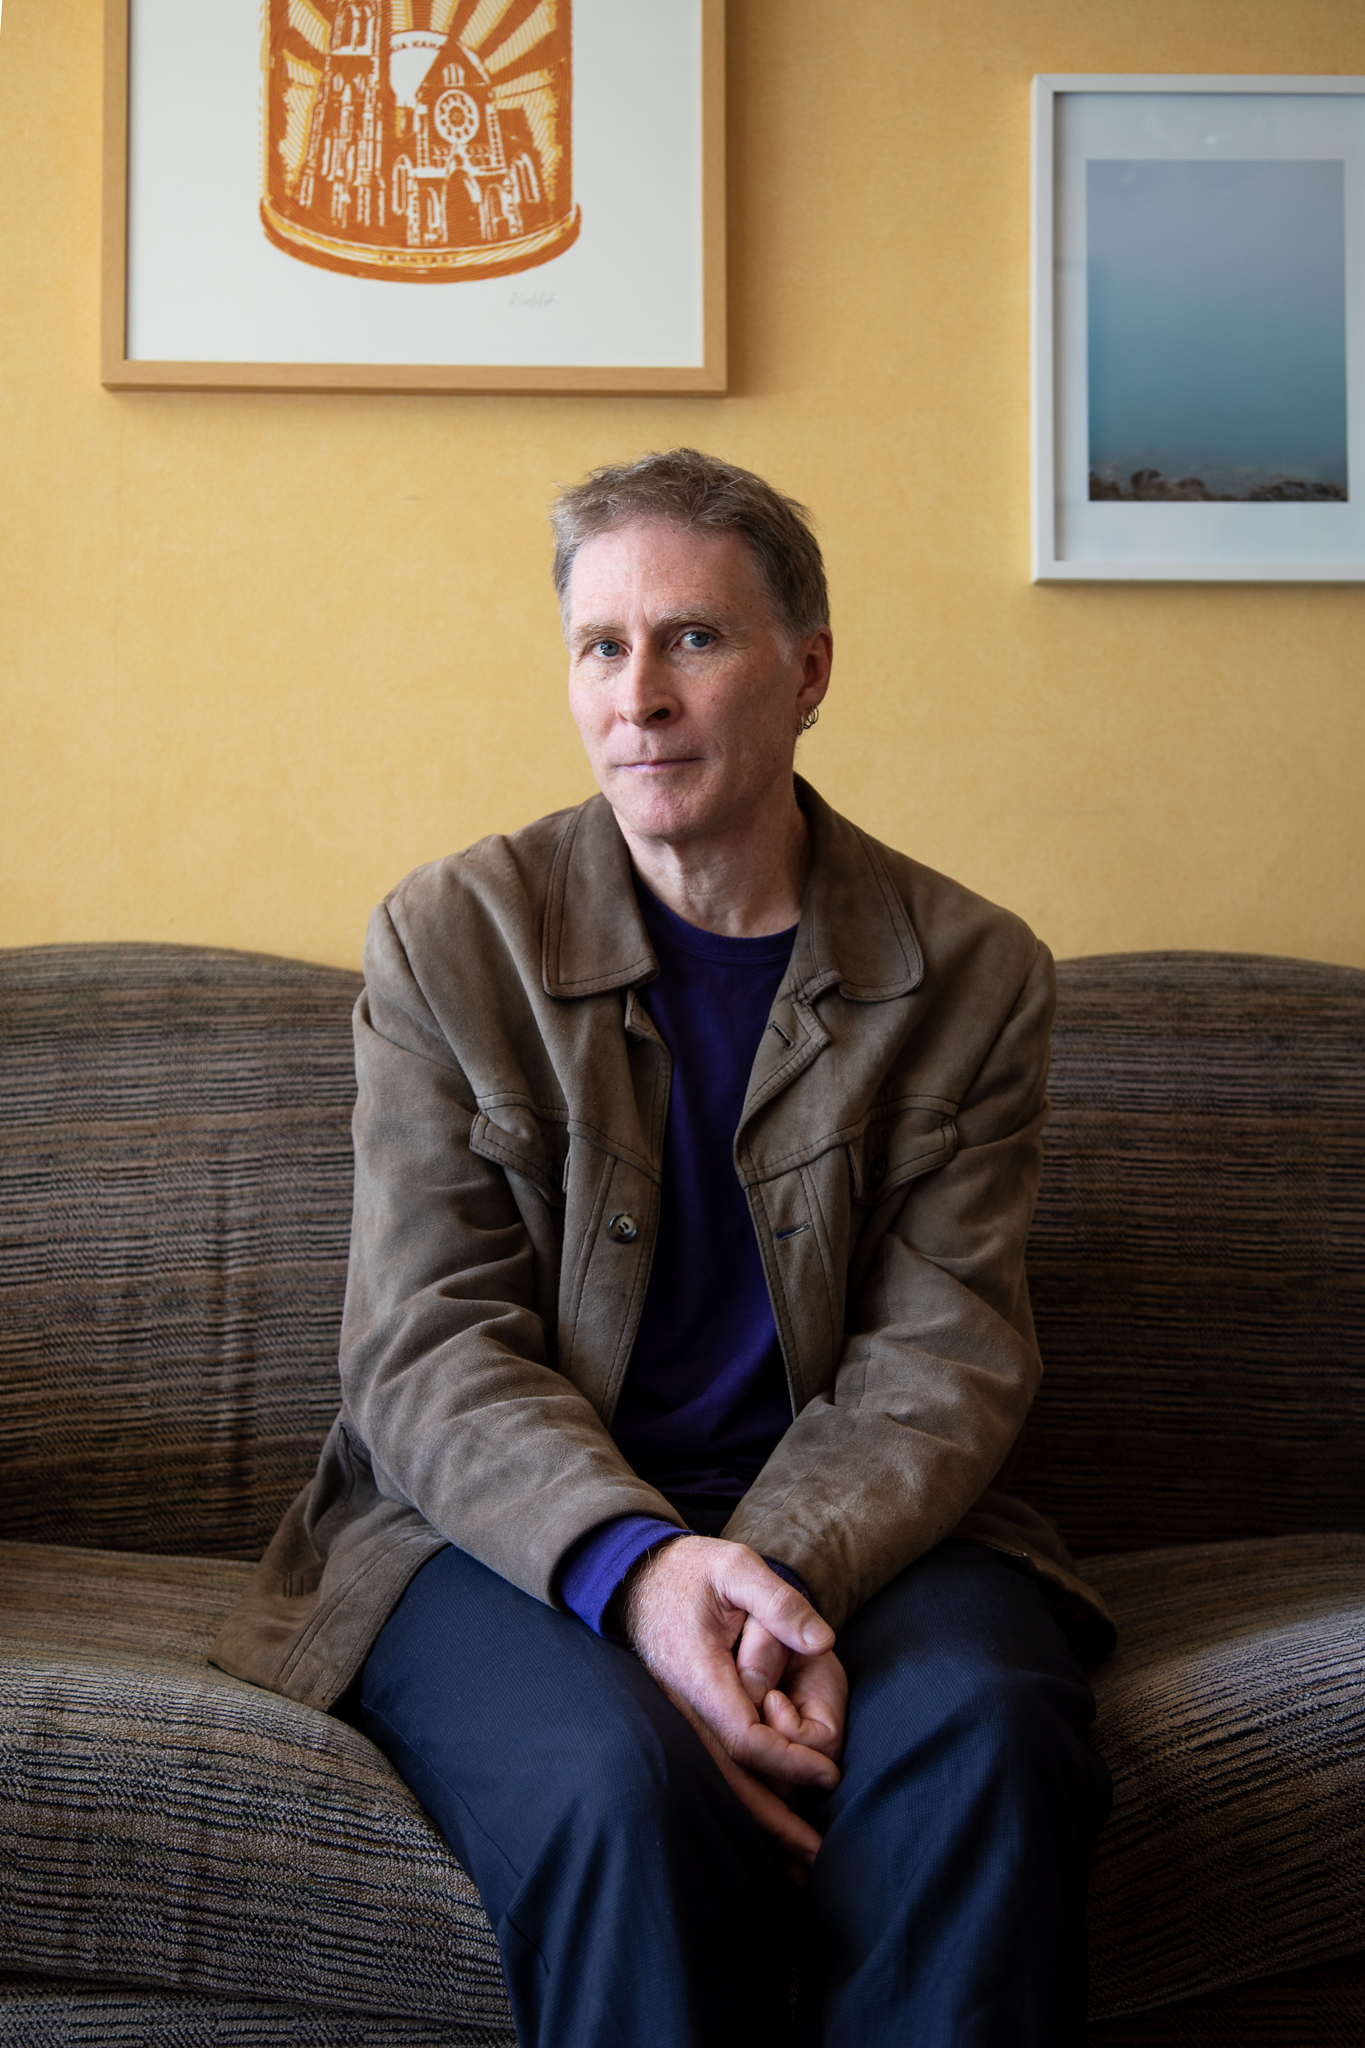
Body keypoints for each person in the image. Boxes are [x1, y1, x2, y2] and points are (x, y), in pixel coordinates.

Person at [212, 448, 1115, 2048]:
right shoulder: (450, 938)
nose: (638, 696)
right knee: (618, 1787)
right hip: (491, 1534)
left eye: (693, 638)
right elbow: (424, 1343)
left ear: (807, 672)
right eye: (599, 646)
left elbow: (945, 1356)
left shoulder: (972, 973)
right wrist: (638, 1576)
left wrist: (767, 1584)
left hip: (865, 1533)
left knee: (987, 1734)